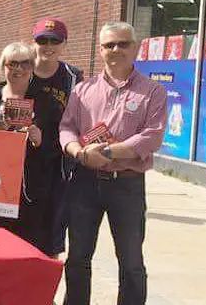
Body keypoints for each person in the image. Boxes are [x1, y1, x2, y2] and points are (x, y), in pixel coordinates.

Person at [60, 22, 167, 305]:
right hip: (85, 183)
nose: (116, 50)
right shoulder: (82, 90)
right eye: (109, 45)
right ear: (101, 49)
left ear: (136, 47)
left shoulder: (153, 92)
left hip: (127, 185)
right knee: (78, 257)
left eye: (123, 44)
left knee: (131, 261)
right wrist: (79, 153)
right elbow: (66, 128)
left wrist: (107, 153)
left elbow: (151, 137)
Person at [0, 43, 49, 251]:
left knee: (25, 247)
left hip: (28, 189)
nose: (18, 69)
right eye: (12, 64)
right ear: (3, 66)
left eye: (25, 64)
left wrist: (38, 139)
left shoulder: (44, 99)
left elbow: (56, 145)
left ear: (32, 67)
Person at [26, 17, 84, 257]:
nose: (48, 46)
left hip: (57, 165)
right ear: (34, 42)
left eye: (54, 41)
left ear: (64, 44)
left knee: (52, 235)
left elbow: (83, 117)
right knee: (22, 230)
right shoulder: (23, 70)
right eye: (42, 40)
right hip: (22, 163)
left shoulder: (73, 77)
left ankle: (44, 292)